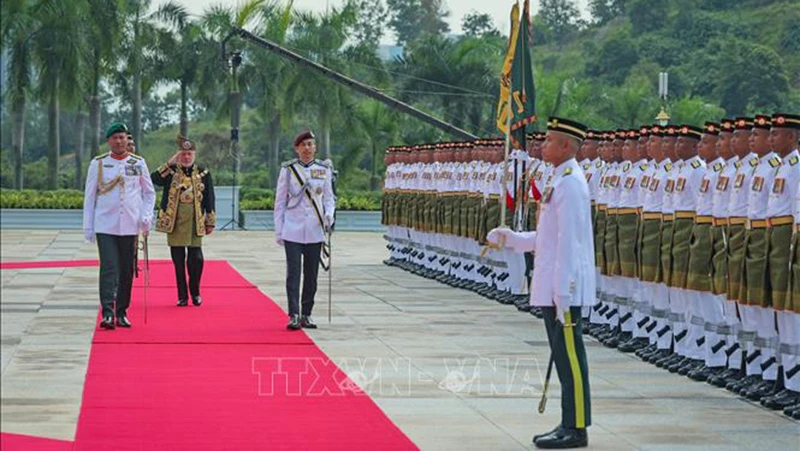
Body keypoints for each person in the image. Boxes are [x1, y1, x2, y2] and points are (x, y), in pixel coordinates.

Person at [488, 117, 595, 449]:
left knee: (571, 358)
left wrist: (564, 291)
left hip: (564, 287)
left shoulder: (571, 182)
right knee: (562, 357)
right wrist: (513, 239)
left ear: (566, 146)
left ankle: (576, 427)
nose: (542, 146)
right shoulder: (558, 179)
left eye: (549, 140)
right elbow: (548, 239)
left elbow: (571, 242)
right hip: (554, 284)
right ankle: (568, 421)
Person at [83, 123, 156, 329]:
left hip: (130, 224)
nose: (119, 141)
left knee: (126, 270)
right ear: (109, 141)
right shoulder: (98, 164)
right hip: (105, 224)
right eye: (115, 138)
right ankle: (107, 313)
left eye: (122, 137)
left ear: (127, 139)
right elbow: (89, 198)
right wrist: (87, 226)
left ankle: (121, 312)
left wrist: (146, 216)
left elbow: (149, 193)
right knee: (109, 267)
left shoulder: (138, 163)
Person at [274, 130, 335, 330]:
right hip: (292, 228)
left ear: (315, 147)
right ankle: (293, 314)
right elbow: (280, 202)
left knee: (311, 275)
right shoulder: (289, 170)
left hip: (315, 229)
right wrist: (279, 230)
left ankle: (306, 314)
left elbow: (328, 197)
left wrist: (329, 215)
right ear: (297, 148)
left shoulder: (323, 169)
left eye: (310, 144)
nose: (307, 148)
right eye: (304, 145)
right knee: (293, 273)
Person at [151, 134, 216, 307]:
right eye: (183, 154)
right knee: (178, 261)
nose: (186, 157)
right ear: (178, 155)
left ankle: (195, 291)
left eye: (189, 154)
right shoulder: (171, 172)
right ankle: (182, 296)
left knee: (197, 259)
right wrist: (169, 162)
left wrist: (210, 220)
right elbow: (153, 180)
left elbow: (209, 197)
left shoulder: (203, 172)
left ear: (194, 155)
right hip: (175, 221)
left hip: (195, 220)